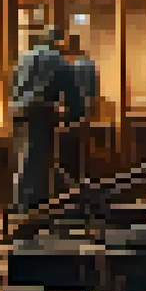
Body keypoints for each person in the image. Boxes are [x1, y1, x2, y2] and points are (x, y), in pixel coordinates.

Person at [9, 26, 86, 215]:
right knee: (39, 163)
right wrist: (74, 116)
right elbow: (73, 96)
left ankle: (20, 205)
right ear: (60, 43)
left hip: (18, 114)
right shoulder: (58, 62)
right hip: (40, 114)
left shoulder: (24, 58)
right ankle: (33, 211)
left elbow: (13, 87)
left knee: (23, 161)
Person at [60, 33, 99, 184]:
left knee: (68, 148)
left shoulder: (69, 66)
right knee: (82, 147)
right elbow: (94, 89)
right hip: (85, 111)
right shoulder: (88, 64)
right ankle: (81, 178)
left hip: (70, 112)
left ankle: (70, 180)